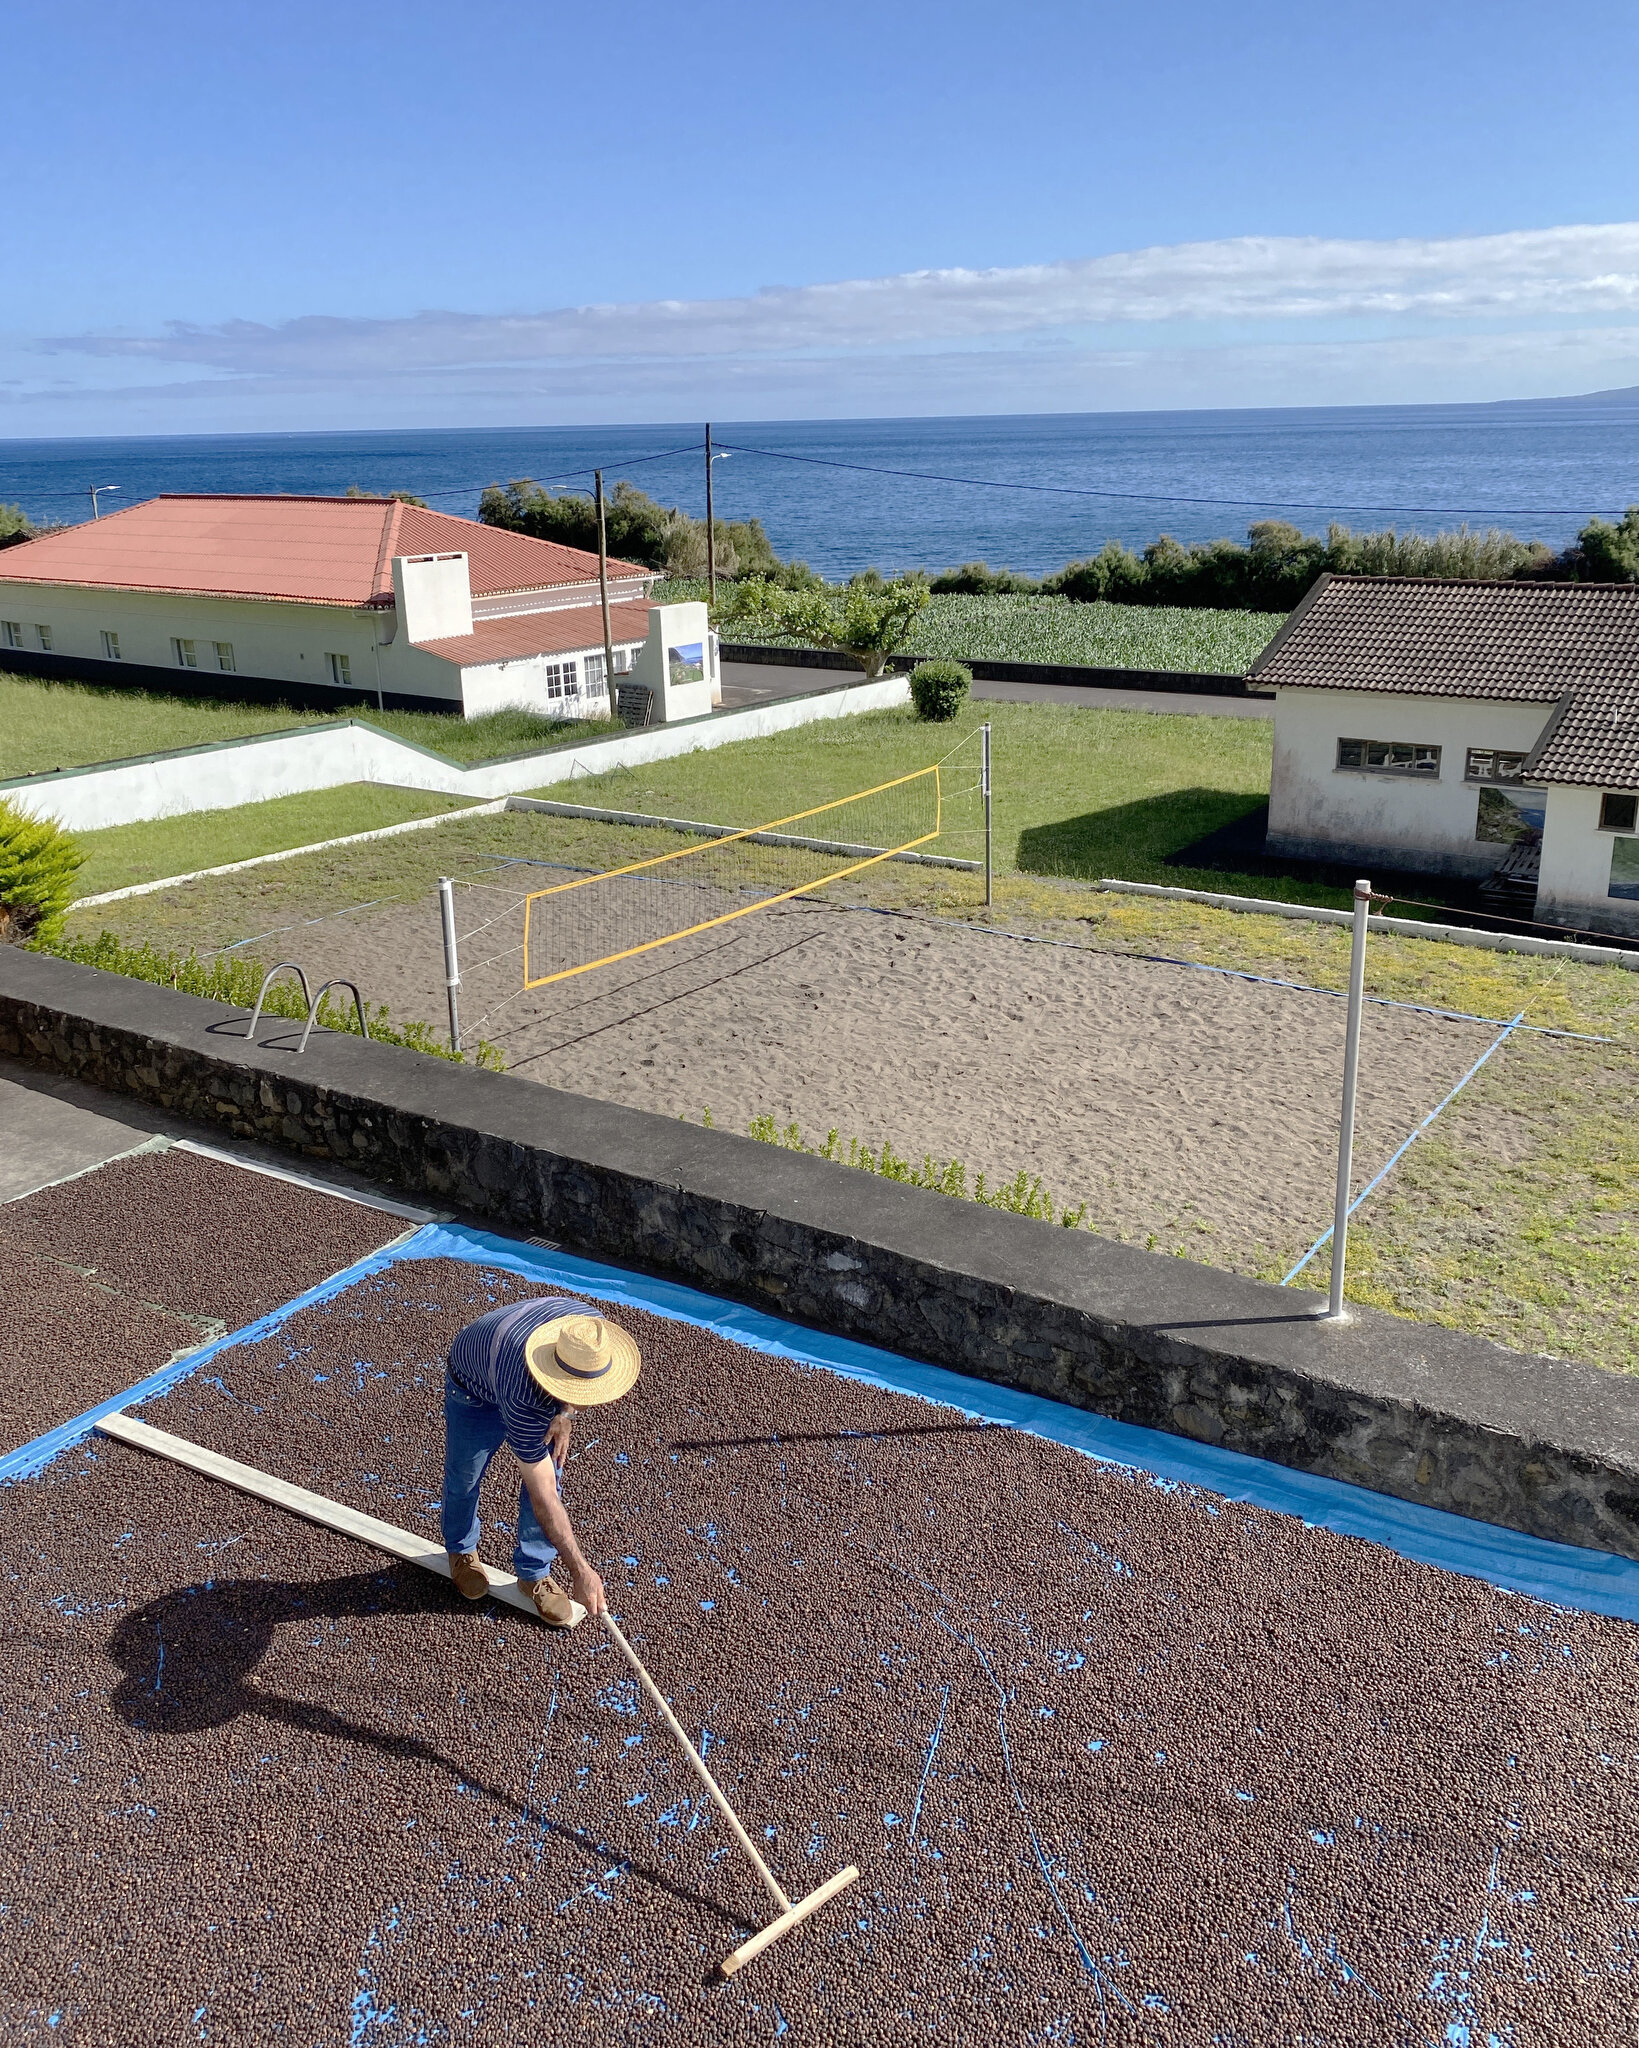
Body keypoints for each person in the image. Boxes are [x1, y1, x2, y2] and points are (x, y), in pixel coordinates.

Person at [442, 1296, 641, 1626]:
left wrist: (565, 1413)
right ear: (553, 1376)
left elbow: (575, 1382)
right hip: (472, 1388)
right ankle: (461, 1549)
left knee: (551, 1465)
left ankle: (533, 1574)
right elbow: (544, 1496)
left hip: (513, 1364)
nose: (587, 1402)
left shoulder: (588, 1332)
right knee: (466, 1475)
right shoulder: (524, 1399)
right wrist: (580, 1570)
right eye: (577, 1392)